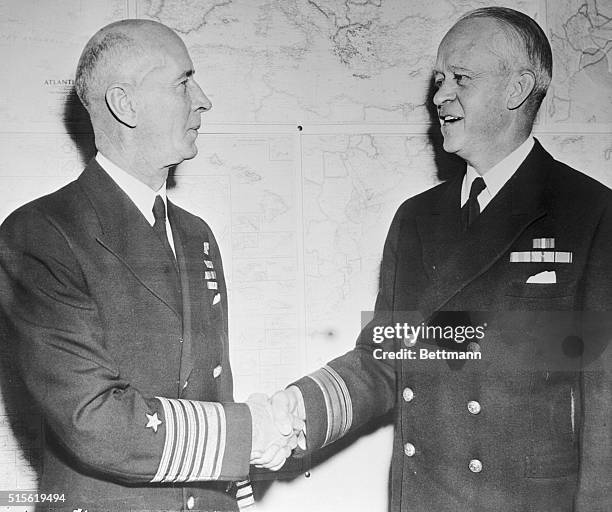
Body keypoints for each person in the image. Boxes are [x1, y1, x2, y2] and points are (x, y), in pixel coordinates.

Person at [260, 7, 612, 511]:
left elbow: (607, 407)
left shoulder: (591, 214)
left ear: (518, 89)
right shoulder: (416, 218)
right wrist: (298, 410)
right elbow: (389, 355)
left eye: (461, 79)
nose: (440, 95)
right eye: (440, 78)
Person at [0, 19, 299, 512]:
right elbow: (93, 420)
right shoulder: (41, 234)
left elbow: (210, 391)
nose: (203, 100)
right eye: (183, 82)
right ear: (125, 104)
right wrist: (250, 432)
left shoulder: (196, 234)